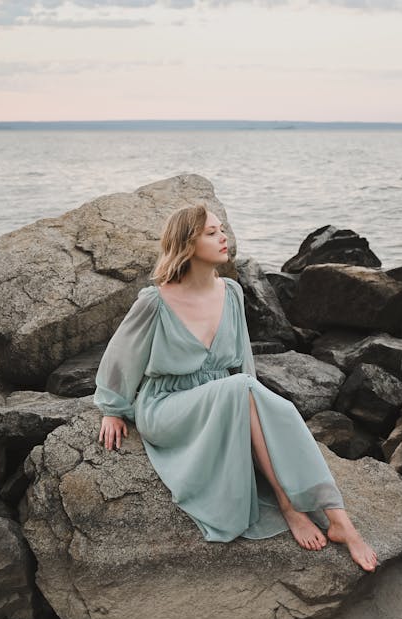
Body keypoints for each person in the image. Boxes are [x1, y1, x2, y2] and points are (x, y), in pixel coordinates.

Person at [94, 204, 378, 572]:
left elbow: (242, 362)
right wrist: (112, 409)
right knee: (244, 390)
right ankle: (291, 509)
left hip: (225, 397)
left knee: (263, 401)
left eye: (221, 230)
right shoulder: (155, 301)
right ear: (187, 243)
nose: (223, 237)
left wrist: (260, 420)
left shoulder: (230, 292)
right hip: (167, 406)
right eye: (211, 233)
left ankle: (339, 518)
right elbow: (121, 358)